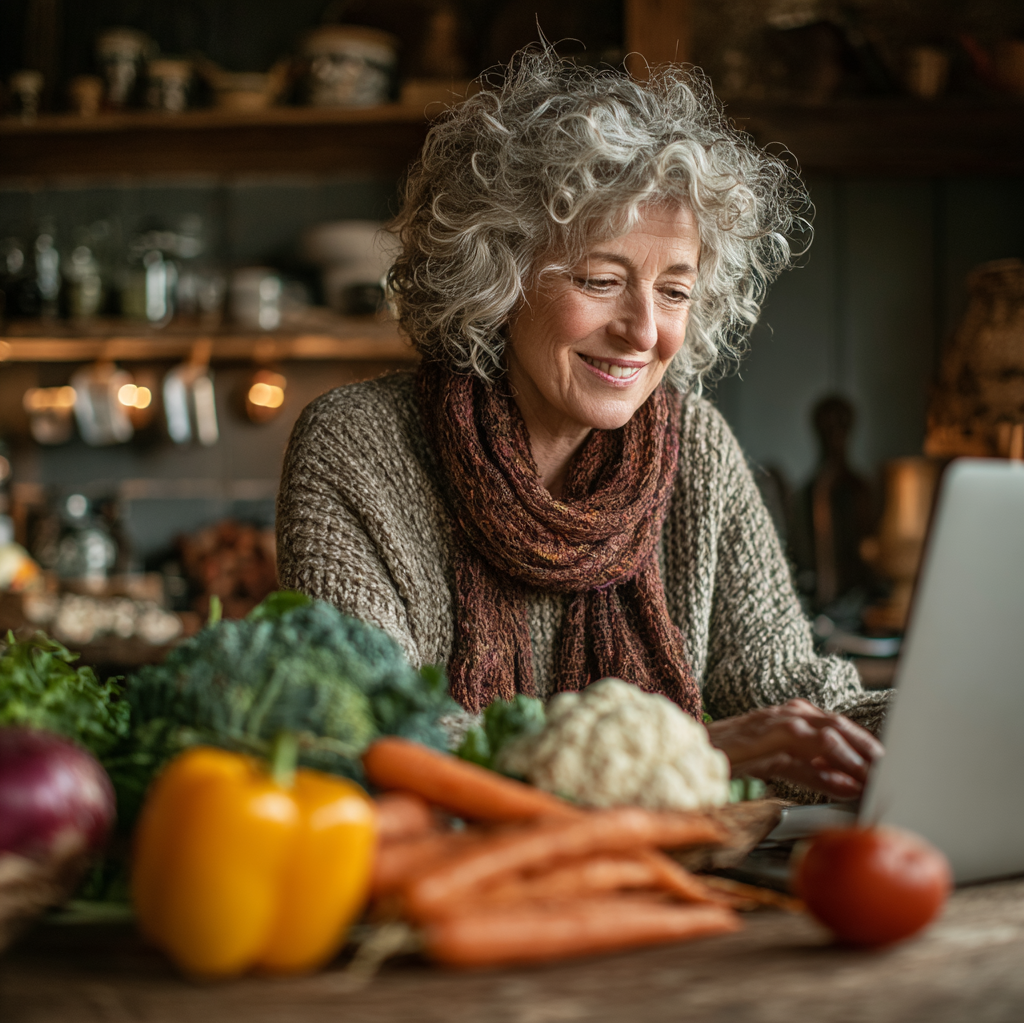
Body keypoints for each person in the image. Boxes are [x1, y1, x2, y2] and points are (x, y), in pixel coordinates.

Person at [276, 49, 889, 802]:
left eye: (674, 291)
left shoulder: (695, 445)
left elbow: (787, 694)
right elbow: (371, 731)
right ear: (497, 275)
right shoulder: (357, 447)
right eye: (602, 282)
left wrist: (951, 724)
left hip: (676, 887)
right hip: (452, 889)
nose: (643, 331)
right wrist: (691, 752)